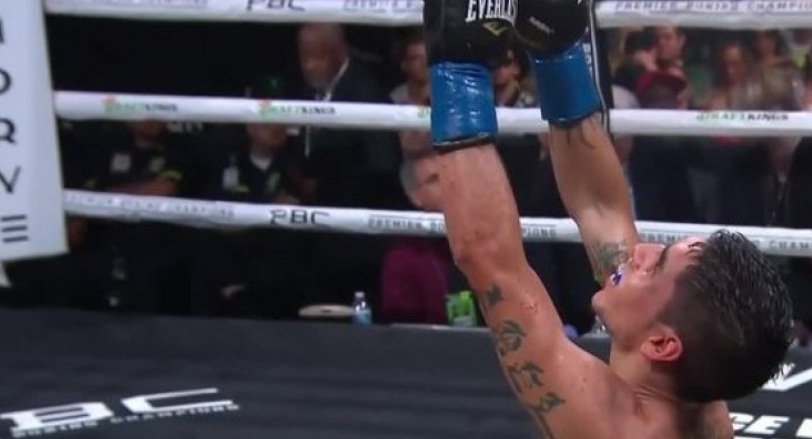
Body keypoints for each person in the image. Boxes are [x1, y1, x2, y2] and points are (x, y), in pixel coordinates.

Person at [423, 0, 793, 438]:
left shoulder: (610, 427)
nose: (642, 251)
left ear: (662, 345)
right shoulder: (701, 376)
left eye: (655, 267)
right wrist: (557, 52)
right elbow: (601, 209)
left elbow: (487, 258)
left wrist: (457, 69)